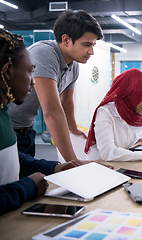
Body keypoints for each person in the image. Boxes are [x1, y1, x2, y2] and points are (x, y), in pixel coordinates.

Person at [0, 29, 79, 216]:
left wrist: (52, 167)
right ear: (8, 71)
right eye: (29, 72)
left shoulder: (3, 113)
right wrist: (27, 187)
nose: (34, 82)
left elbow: (11, 158)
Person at [8, 9, 103, 163]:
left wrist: (73, 129)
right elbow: (51, 111)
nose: (91, 52)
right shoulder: (44, 53)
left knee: (23, 175)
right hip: (7, 127)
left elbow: (66, 102)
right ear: (65, 40)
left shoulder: (73, 66)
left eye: (93, 45)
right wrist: (73, 161)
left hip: (26, 128)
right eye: (87, 45)